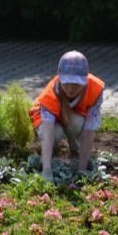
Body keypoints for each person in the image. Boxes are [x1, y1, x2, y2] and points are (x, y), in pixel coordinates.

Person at [29, 51, 104, 182]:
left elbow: (89, 132)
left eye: (76, 84)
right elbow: (47, 136)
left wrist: (82, 169)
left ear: (85, 80)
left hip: (71, 116)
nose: (70, 89)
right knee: (55, 134)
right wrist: (46, 170)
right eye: (66, 83)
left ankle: (76, 151)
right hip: (49, 119)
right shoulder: (50, 94)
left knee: (78, 123)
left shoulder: (95, 90)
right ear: (59, 77)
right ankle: (50, 154)